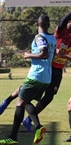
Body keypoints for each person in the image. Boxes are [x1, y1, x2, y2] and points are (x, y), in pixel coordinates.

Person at [0, 0, 71, 132]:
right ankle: (6, 102)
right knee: (28, 91)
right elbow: (63, 20)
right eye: (69, 20)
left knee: (48, 97)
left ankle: (29, 119)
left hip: (57, 71)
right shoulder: (60, 32)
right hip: (48, 67)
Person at [0, 14, 56, 145]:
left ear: (37, 24)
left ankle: (13, 137)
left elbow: (44, 53)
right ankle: (37, 126)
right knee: (24, 98)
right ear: (48, 25)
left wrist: (28, 55)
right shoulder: (52, 38)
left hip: (36, 76)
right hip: (46, 78)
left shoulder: (39, 37)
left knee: (20, 103)